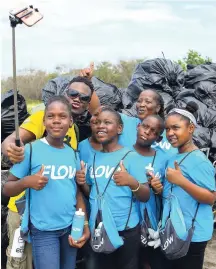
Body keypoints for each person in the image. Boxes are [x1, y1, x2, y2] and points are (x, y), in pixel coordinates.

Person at [3, 96, 90, 269]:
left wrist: (84, 223)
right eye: (51, 116)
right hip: (43, 231)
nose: (56, 121)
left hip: (70, 227)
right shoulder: (31, 150)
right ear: (44, 121)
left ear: (70, 121)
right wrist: (27, 182)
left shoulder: (72, 153)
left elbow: (76, 192)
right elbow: (6, 189)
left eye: (62, 116)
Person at [76, 106, 150, 269]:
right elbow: (93, 194)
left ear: (119, 128)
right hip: (100, 229)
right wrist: (82, 184)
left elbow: (145, 195)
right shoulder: (93, 158)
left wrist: (132, 182)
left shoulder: (131, 157)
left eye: (107, 122)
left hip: (125, 230)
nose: (100, 126)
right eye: (97, 122)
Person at [161, 102, 216, 269]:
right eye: (167, 129)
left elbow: (211, 198)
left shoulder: (199, 161)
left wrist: (181, 181)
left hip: (193, 234)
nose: (170, 133)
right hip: (175, 230)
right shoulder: (173, 157)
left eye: (176, 128)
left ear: (191, 128)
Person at [131, 115, 169, 269]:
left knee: (148, 262)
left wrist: (159, 190)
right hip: (129, 221)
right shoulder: (123, 154)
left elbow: (168, 193)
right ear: (138, 126)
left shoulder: (163, 159)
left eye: (153, 131)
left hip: (151, 223)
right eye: (144, 126)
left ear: (158, 139)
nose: (146, 132)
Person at [119, 89, 177, 156]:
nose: (142, 104)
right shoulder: (123, 121)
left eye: (148, 102)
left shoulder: (168, 135)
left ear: (157, 108)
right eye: (139, 101)